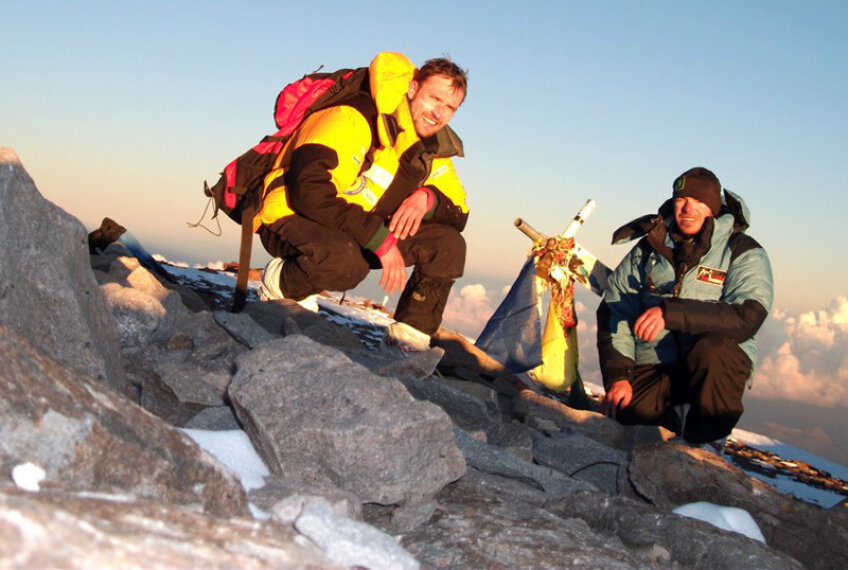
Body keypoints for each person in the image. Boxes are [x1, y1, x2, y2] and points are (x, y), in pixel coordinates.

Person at [256, 52, 469, 336]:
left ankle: (408, 344)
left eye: (450, 107)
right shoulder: (355, 115)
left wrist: (427, 198)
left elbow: (460, 212)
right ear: (413, 87)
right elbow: (309, 189)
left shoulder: (430, 149)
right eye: (434, 98)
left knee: (448, 246)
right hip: (290, 212)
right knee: (345, 263)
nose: (438, 113)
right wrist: (379, 239)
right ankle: (281, 282)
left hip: (354, 229)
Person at [596, 167, 773, 444]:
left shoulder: (742, 251)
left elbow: (747, 316)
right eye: (681, 200)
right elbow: (615, 308)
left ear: (713, 207)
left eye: (699, 200)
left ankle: (706, 443)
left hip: (709, 367)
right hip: (655, 361)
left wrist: (671, 314)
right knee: (632, 423)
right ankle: (668, 428)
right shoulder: (649, 248)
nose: (688, 208)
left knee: (712, 350)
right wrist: (618, 375)